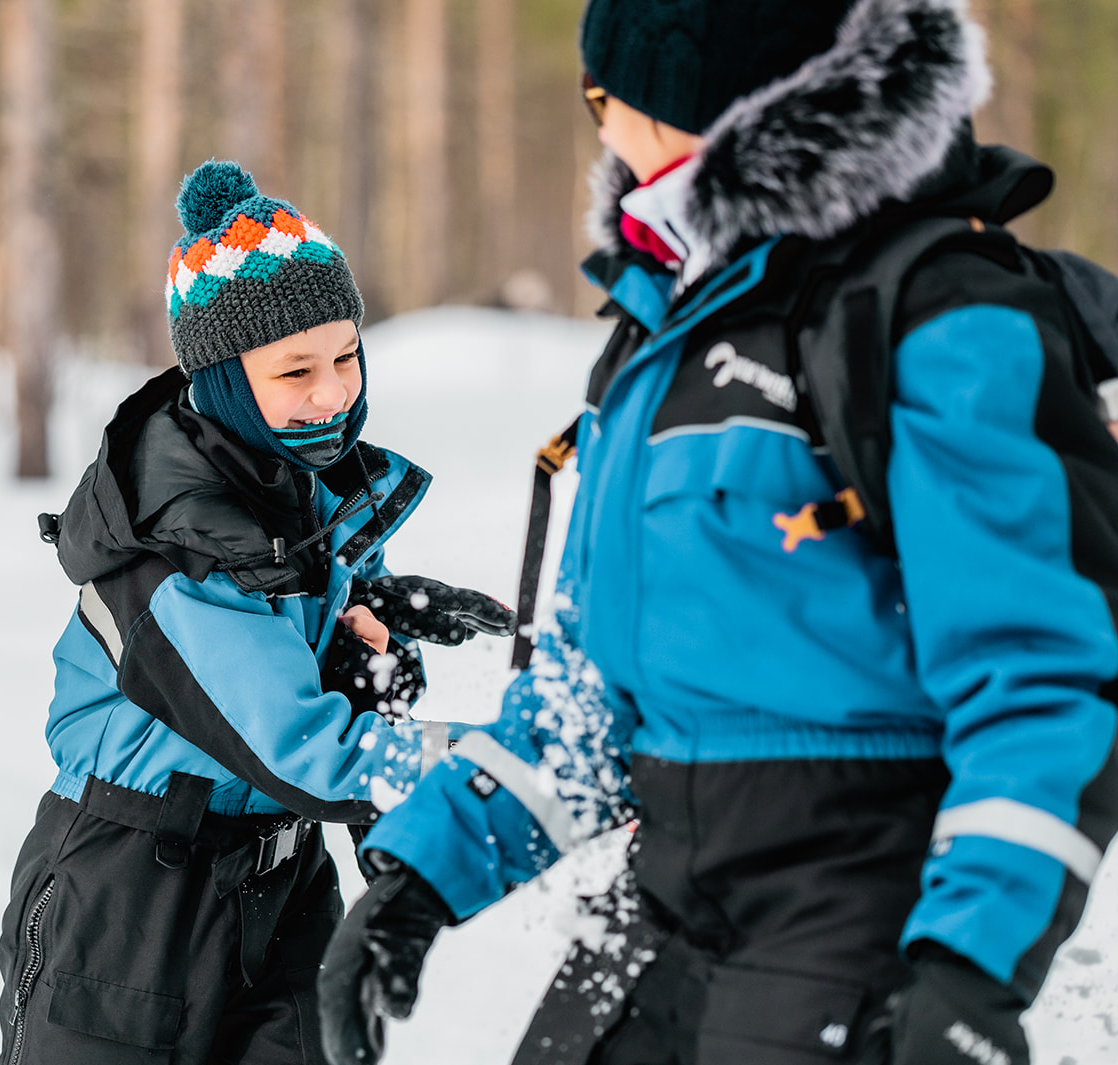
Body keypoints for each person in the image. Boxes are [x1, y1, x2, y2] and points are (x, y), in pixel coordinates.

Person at [318, 2, 1118, 1064]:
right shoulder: (667, 329)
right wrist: (421, 878)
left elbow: (1046, 677)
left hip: (854, 928)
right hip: (660, 914)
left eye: (610, 101)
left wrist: (970, 972)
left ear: (721, 105)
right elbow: (592, 690)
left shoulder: (937, 314)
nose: (598, 131)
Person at [0, 159, 514, 1065]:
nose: (333, 393)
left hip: (278, 882)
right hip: (131, 901)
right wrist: (521, 759)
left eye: (348, 354)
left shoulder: (299, 486)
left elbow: (312, 646)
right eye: (296, 370)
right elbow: (304, 748)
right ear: (224, 379)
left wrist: (378, 615)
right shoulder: (179, 547)